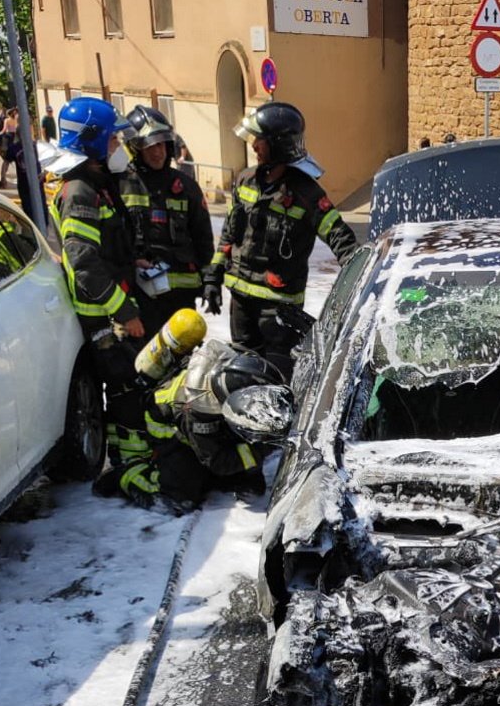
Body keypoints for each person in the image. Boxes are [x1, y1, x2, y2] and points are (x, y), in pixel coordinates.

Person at [202, 101, 358, 379]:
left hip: (278, 310)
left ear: (278, 145)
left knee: (277, 378)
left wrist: (360, 279)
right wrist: (213, 275)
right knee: (241, 376)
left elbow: (340, 238)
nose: (254, 147)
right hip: (241, 302)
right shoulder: (245, 181)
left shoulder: (306, 193)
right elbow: (228, 233)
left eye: (260, 140)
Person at [48, 96, 146, 475]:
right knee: (124, 387)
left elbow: (103, 246)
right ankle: (130, 465)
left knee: (127, 384)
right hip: (102, 314)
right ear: (92, 143)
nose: (118, 148)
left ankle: (129, 459)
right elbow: (84, 262)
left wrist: (129, 260)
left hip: (111, 305)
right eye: (112, 141)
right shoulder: (80, 193)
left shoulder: (96, 183)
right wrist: (125, 312)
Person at [112, 344, 280, 511]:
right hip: (172, 437)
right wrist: (264, 447)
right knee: (182, 497)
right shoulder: (200, 411)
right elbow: (217, 461)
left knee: (251, 485)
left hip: (202, 428)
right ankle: (127, 476)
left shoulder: (235, 367)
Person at [116, 105, 214, 334]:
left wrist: (211, 282)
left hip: (181, 299)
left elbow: (204, 240)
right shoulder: (119, 185)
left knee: (182, 362)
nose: (156, 152)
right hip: (139, 300)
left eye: (160, 144)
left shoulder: (187, 187)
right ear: (134, 148)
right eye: (149, 146)